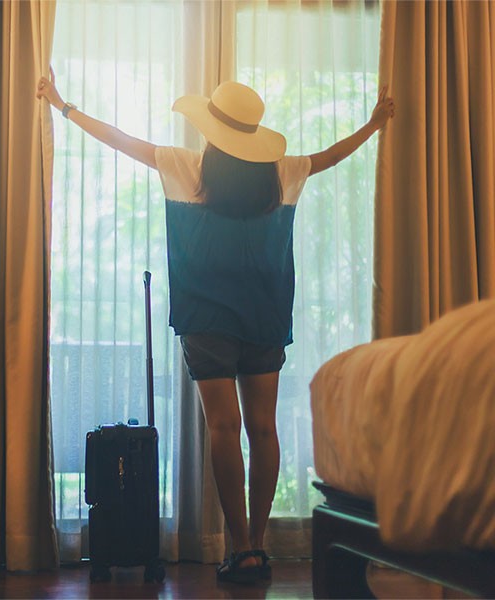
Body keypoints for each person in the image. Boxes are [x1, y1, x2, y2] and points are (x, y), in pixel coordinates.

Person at [37, 72, 394, 584]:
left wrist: (65, 107)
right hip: (264, 314)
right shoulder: (282, 172)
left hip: (206, 318)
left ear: (212, 130)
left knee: (224, 428)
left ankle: (240, 547)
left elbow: (119, 139)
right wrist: (374, 123)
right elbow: (333, 154)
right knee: (263, 427)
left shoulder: (186, 165)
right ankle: (257, 544)